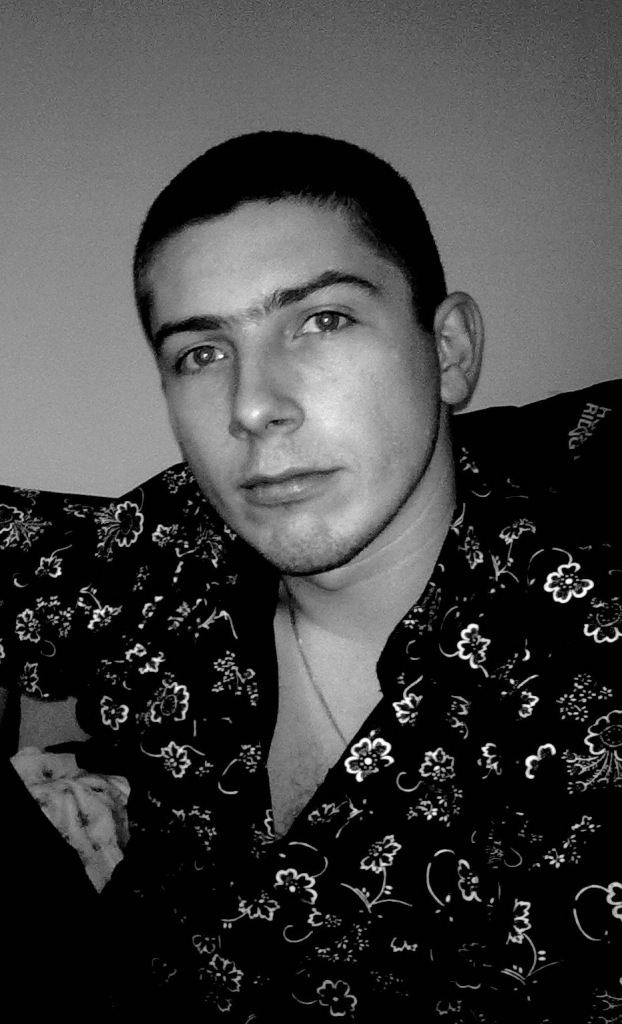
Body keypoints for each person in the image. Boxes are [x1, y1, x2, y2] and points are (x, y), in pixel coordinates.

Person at [1, 132, 620, 1021]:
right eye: (201, 353)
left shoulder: (580, 670)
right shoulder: (168, 555)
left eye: (322, 320)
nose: (253, 406)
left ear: (448, 350)